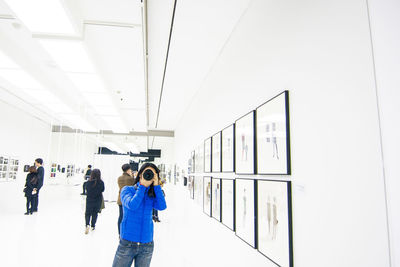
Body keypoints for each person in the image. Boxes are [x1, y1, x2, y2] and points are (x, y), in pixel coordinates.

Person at [112, 163, 167, 267]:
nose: (148, 175)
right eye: (146, 172)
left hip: (147, 244)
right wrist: (142, 187)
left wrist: (156, 186)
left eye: (152, 174)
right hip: (127, 243)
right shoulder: (127, 190)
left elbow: (162, 206)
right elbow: (133, 205)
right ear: (140, 174)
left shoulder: (152, 194)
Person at [84, 169, 105, 234]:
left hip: (89, 200)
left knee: (87, 213)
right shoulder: (101, 182)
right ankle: (93, 226)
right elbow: (103, 190)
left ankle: (87, 224)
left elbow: (86, 190)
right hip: (98, 200)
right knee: (95, 213)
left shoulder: (88, 182)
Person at [117, 164, 135, 235]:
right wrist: (132, 176)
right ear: (129, 170)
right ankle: (126, 233)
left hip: (120, 199)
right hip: (128, 200)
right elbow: (134, 186)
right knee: (128, 217)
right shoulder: (130, 179)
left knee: (121, 217)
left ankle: (119, 233)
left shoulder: (119, 178)